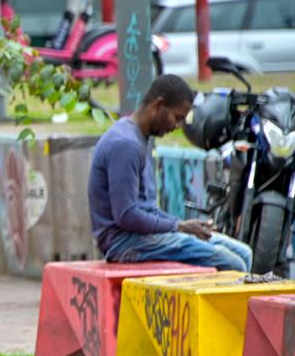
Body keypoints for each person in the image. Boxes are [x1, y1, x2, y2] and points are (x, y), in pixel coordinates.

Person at [89, 74, 252, 272]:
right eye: (177, 118)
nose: (176, 126)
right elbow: (126, 215)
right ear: (158, 105)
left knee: (244, 253)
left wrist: (183, 226)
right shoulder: (126, 145)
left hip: (140, 236)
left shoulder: (142, 138)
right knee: (232, 263)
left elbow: (146, 208)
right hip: (123, 243)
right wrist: (179, 227)